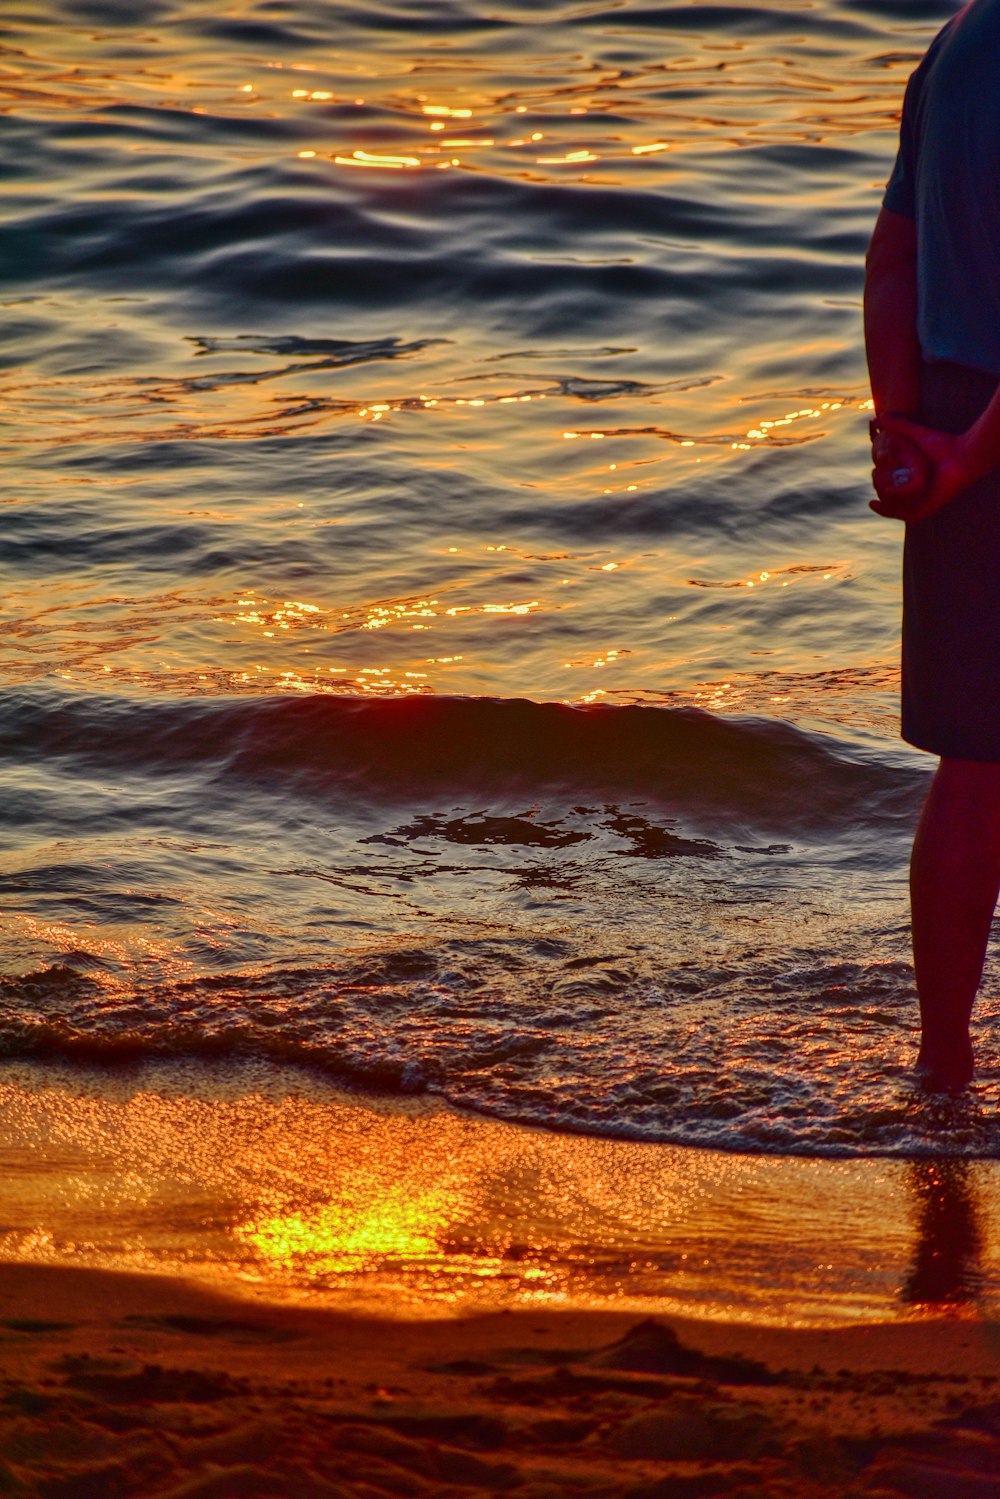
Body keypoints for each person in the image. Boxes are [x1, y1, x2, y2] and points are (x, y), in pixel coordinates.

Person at [864, 0, 1000, 1092]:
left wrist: (908, 430)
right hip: (981, 434)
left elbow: (894, 254)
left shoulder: (956, 40)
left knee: (977, 764)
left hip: (957, 403)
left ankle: (944, 1061)